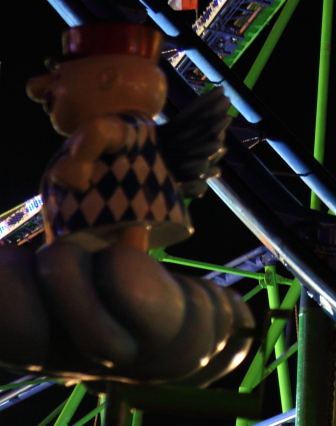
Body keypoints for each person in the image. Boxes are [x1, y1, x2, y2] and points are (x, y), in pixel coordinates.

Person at [6, 22, 255, 385]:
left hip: (115, 207)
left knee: (91, 258)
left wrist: (79, 162)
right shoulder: (142, 133)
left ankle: (100, 315)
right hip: (123, 209)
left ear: (107, 78)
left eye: (58, 77)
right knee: (114, 252)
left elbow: (99, 135)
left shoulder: (112, 127)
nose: (41, 88)